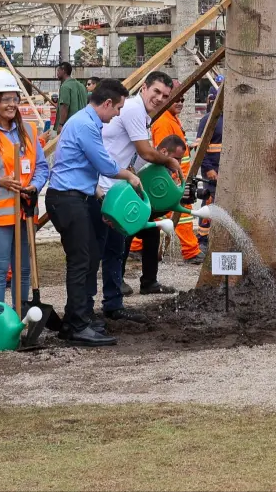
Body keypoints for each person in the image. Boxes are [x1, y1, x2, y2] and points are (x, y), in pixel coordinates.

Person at [47, 78, 137, 346]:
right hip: (67, 199)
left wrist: (97, 191)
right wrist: (130, 178)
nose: (119, 114)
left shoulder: (84, 121)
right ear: (107, 103)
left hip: (77, 196)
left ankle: (80, 317)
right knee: (81, 261)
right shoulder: (86, 124)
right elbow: (106, 164)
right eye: (118, 108)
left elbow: (81, 165)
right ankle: (76, 325)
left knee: (88, 257)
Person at [99, 71, 180, 323]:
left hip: (116, 184)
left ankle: (119, 297)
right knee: (111, 246)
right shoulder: (134, 109)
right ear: (143, 88)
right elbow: (146, 152)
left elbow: (130, 154)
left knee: (123, 240)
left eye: (165, 96)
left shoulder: (141, 114)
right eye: (155, 92)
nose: (159, 98)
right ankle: (110, 305)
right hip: (106, 186)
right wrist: (170, 161)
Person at [0, 69, 49, 306]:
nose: (11, 104)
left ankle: (21, 315)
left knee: (24, 270)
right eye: (6, 99)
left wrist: (35, 186)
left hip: (24, 212)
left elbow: (42, 167)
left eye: (14, 98)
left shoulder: (28, 131)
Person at [149, 87, 203, 264]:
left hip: (177, 178)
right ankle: (191, 251)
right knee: (182, 215)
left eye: (182, 99)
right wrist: (171, 179)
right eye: (176, 99)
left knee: (156, 215)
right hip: (173, 180)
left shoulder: (171, 119)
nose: (180, 103)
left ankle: (136, 246)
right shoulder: (164, 122)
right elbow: (164, 153)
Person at [196, 92, 222, 248]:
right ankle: (203, 239)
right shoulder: (209, 119)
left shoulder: (232, 119)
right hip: (212, 171)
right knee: (209, 203)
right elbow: (201, 147)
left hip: (227, 172)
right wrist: (208, 168)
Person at [53, 62, 87, 132]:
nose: (57, 74)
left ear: (63, 71)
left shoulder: (65, 86)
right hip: (82, 126)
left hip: (69, 127)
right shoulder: (81, 86)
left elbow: (64, 106)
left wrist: (61, 124)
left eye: (58, 71)